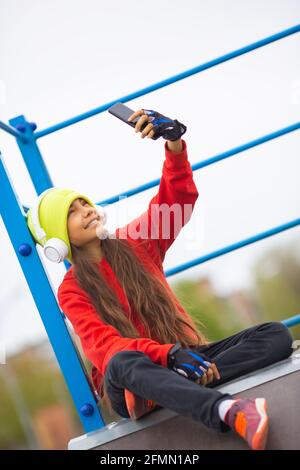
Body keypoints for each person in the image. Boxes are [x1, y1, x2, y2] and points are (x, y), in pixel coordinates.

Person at [26, 108, 294, 451]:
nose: (87, 210)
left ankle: (172, 388)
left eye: (85, 203)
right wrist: (167, 357)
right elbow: (106, 348)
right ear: (57, 237)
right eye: (72, 211)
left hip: (183, 360)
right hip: (133, 381)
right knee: (121, 362)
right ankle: (226, 409)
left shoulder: (135, 243)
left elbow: (176, 202)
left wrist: (175, 144)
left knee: (274, 335)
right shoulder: (72, 290)